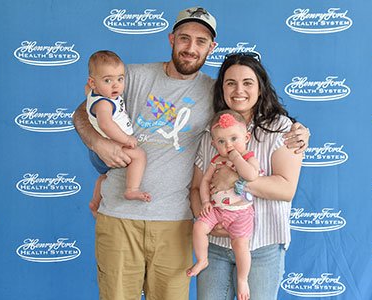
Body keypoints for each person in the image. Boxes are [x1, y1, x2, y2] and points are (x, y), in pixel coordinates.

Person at [72, 6, 310, 300]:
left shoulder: (215, 95)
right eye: (184, 38)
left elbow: (253, 112)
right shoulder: (132, 77)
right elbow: (83, 112)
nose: (190, 48)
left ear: (212, 47)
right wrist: (98, 143)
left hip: (176, 224)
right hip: (120, 216)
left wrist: (300, 129)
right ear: (171, 39)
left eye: (200, 41)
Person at [190, 53, 303, 300]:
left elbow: (285, 188)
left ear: (260, 88)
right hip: (216, 248)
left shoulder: (282, 128)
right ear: (221, 89)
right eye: (230, 82)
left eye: (247, 82)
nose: (239, 89)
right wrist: (207, 219)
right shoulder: (213, 130)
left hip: (262, 246)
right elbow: (197, 187)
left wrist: (236, 180)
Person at [188, 110, 259, 300]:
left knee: (240, 245)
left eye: (234, 139)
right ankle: (202, 259)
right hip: (217, 210)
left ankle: (242, 279)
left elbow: (251, 175)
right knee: (199, 226)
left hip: (241, 212)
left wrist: (236, 158)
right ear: (213, 144)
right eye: (221, 142)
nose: (228, 145)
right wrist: (205, 202)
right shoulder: (216, 160)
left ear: (246, 137)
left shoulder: (248, 157)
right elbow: (204, 182)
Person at [86, 50, 150, 207]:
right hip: (111, 145)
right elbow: (106, 125)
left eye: (120, 79)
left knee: (105, 176)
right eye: (107, 80)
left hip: (101, 151)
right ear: (93, 83)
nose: (116, 85)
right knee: (139, 155)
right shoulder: (103, 104)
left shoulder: (96, 94)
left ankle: (95, 201)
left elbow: (86, 90)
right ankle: (132, 189)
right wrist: (126, 139)